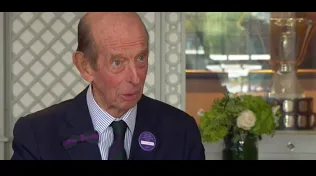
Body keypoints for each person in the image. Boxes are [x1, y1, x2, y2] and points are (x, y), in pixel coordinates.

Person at [10, 12, 205, 160]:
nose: (135, 77)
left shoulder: (181, 130)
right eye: (117, 62)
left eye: (140, 58)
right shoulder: (36, 134)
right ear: (85, 66)